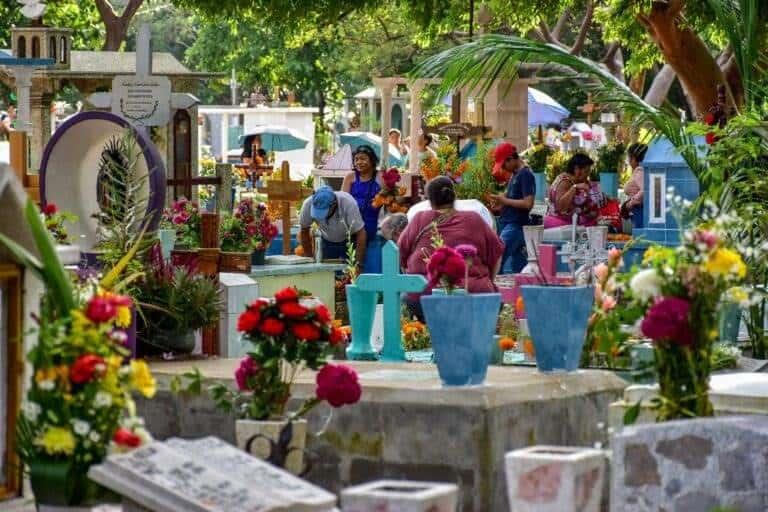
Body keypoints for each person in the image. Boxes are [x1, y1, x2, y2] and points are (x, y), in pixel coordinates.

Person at [398, 176, 504, 321]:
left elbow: (400, 253)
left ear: (429, 200)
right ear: (455, 196)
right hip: (475, 295)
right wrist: (487, 281)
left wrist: (412, 279)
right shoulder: (474, 218)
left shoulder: (419, 218)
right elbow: (497, 254)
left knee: (407, 299)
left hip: (424, 296)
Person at [488, 142, 535, 274]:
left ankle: (495, 291)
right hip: (512, 224)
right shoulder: (515, 174)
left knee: (497, 259)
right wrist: (500, 203)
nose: (503, 168)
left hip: (515, 226)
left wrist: (505, 201)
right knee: (519, 269)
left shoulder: (525, 174)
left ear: (511, 158)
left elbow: (528, 203)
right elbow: (513, 198)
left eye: (503, 164)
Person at [299, 186, 367, 267]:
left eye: (324, 211)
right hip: (325, 241)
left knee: (348, 274)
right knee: (326, 274)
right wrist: (309, 259)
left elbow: (361, 233)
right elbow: (304, 230)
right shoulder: (307, 204)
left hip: (349, 241)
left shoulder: (348, 203)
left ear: (334, 204)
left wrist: (358, 265)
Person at [341, 145, 382, 272]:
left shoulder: (379, 177)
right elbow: (343, 200)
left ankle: (359, 271)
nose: (359, 162)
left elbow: (391, 196)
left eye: (363, 159)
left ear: (372, 160)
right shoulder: (350, 177)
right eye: (356, 159)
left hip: (372, 222)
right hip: (352, 221)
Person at [544, 153, 599, 228]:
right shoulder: (564, 182)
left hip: (568, 222)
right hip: (559, 224)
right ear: (577, 169)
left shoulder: (576, 181)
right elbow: (561, 208)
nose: (588, 175)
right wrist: (574, 188)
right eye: (586, 171)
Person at [622, 143, 648, 229]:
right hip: (638, 210)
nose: (629, 161)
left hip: (640, 210)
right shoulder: (642, 170)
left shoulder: (639, 171)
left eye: (629, 158)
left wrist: (631, 203)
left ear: (634, 158)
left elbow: (645, 190)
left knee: (640, 237)